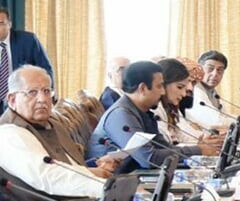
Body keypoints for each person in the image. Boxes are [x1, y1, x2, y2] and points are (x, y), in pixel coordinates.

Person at [87, 60, 220, 173]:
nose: (163, 92)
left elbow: (164, 148)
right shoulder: (121, 114)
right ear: (143, 88)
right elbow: (149, 159)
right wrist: (199, 150)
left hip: (135, 177)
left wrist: (200, 150)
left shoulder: (143, 112)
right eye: (159, 86)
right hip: (114, 185)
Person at [0, 66, 108, 201]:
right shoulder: (8, 133)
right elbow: (49, 175)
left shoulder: (53, 124)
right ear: (12, 100)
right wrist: (107, 189)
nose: (42, 99)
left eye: (46, 91)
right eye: (32, 92)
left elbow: (68, 166)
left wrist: (94, 171)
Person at [153, 58, 220, 146]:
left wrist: (204, 140)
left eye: (194, 83)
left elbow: (181, 135)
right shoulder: (156, 109)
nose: (188, 91)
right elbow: (168, 146)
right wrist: (200, 146)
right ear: (163, 84)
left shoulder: (171, 107)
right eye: (180, 87)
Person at [0, 7, 54, 112]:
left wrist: (47, 96)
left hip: (23, 99)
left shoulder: (28, 41)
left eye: (0, 23)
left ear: (9, 24)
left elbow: (46, 70)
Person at [185, 50, 235, 128]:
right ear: (199, 69)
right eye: (210, 68)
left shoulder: (213, 92)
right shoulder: (194, 89)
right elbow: (217, 122)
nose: (215, 74)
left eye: (220, 70)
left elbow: (225, 116)